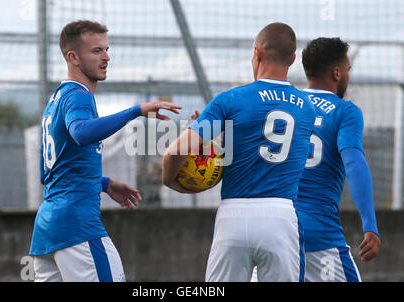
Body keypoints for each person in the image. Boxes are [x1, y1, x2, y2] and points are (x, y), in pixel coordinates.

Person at [29, 20, 181, 282]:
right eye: (96, 51)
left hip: (46, 233)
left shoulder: (55, 101)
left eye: (107, 49)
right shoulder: (78, 95)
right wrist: (136, 111)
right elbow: (82, 132)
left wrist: (104, 183)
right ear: (73, 57)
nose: (107, 56)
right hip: (78, 229)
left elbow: (49, 175)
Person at [162, 23, 315, 282]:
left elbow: (177, 150)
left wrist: (171, 180)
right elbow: (266, 141)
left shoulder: (230, 100)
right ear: (292, 58)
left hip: (233, 215)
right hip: (280, 216)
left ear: (256, 52)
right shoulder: (307, 109)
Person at [294, 37, 380, 281]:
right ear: (336, 72)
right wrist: (370, 225)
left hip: (275, 232)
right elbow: (354, 163)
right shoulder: (345, 112)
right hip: (319, 236)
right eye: (348, 70)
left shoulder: (287, 105)